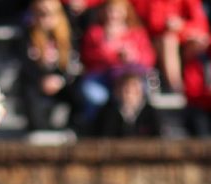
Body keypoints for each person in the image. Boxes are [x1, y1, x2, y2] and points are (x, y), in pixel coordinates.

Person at [79, 0, 157, 130]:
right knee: (94, 95)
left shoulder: (136, 32)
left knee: (138, 93)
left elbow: (149, 58)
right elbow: (88, 57)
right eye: (110, 10)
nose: (113, 15)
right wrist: (113, 55)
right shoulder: (95, 33)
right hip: (103, 77)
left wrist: (134, 56)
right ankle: (93, 128)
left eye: (118, 11)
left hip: (130, 77)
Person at [17, 0, 85, 133]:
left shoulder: (69, 34)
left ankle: (76, 130)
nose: (46, 18)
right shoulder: (28, 34)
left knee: (84, 90)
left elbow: (75, 64)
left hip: (64, 82)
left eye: (51, 13)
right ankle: (38, 131)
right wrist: (41, 80)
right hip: (38, 82)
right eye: (41, 13)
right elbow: (25, 65)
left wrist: (61, 80)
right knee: (28, 91)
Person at [93, 69, 163, 135]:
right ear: (117, 91)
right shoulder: (107, 113)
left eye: (134, 89)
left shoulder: (151, 114)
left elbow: (158, 139)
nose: (130, 93)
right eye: (127, 89)